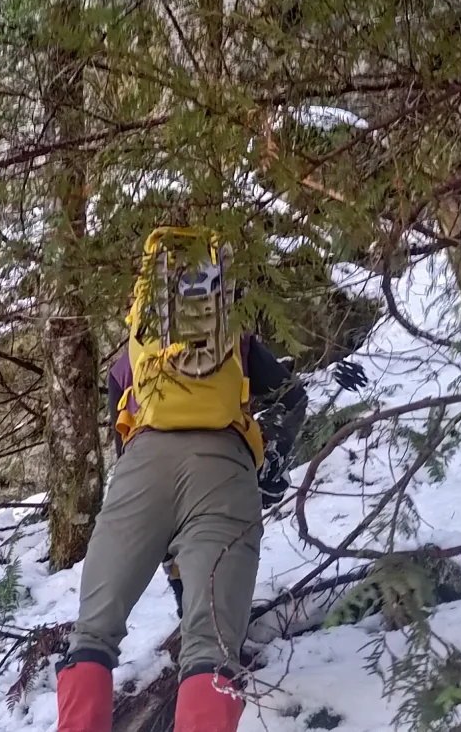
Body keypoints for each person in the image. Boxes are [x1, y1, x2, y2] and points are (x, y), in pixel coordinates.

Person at [55, 227, 306, 732]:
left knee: (94, 635)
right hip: (225, 469)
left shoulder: (132, 358)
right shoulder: (236, 343)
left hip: (141, 469)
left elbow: (123, 440)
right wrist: (269, 470)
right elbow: (291, 400)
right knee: (212, 649)